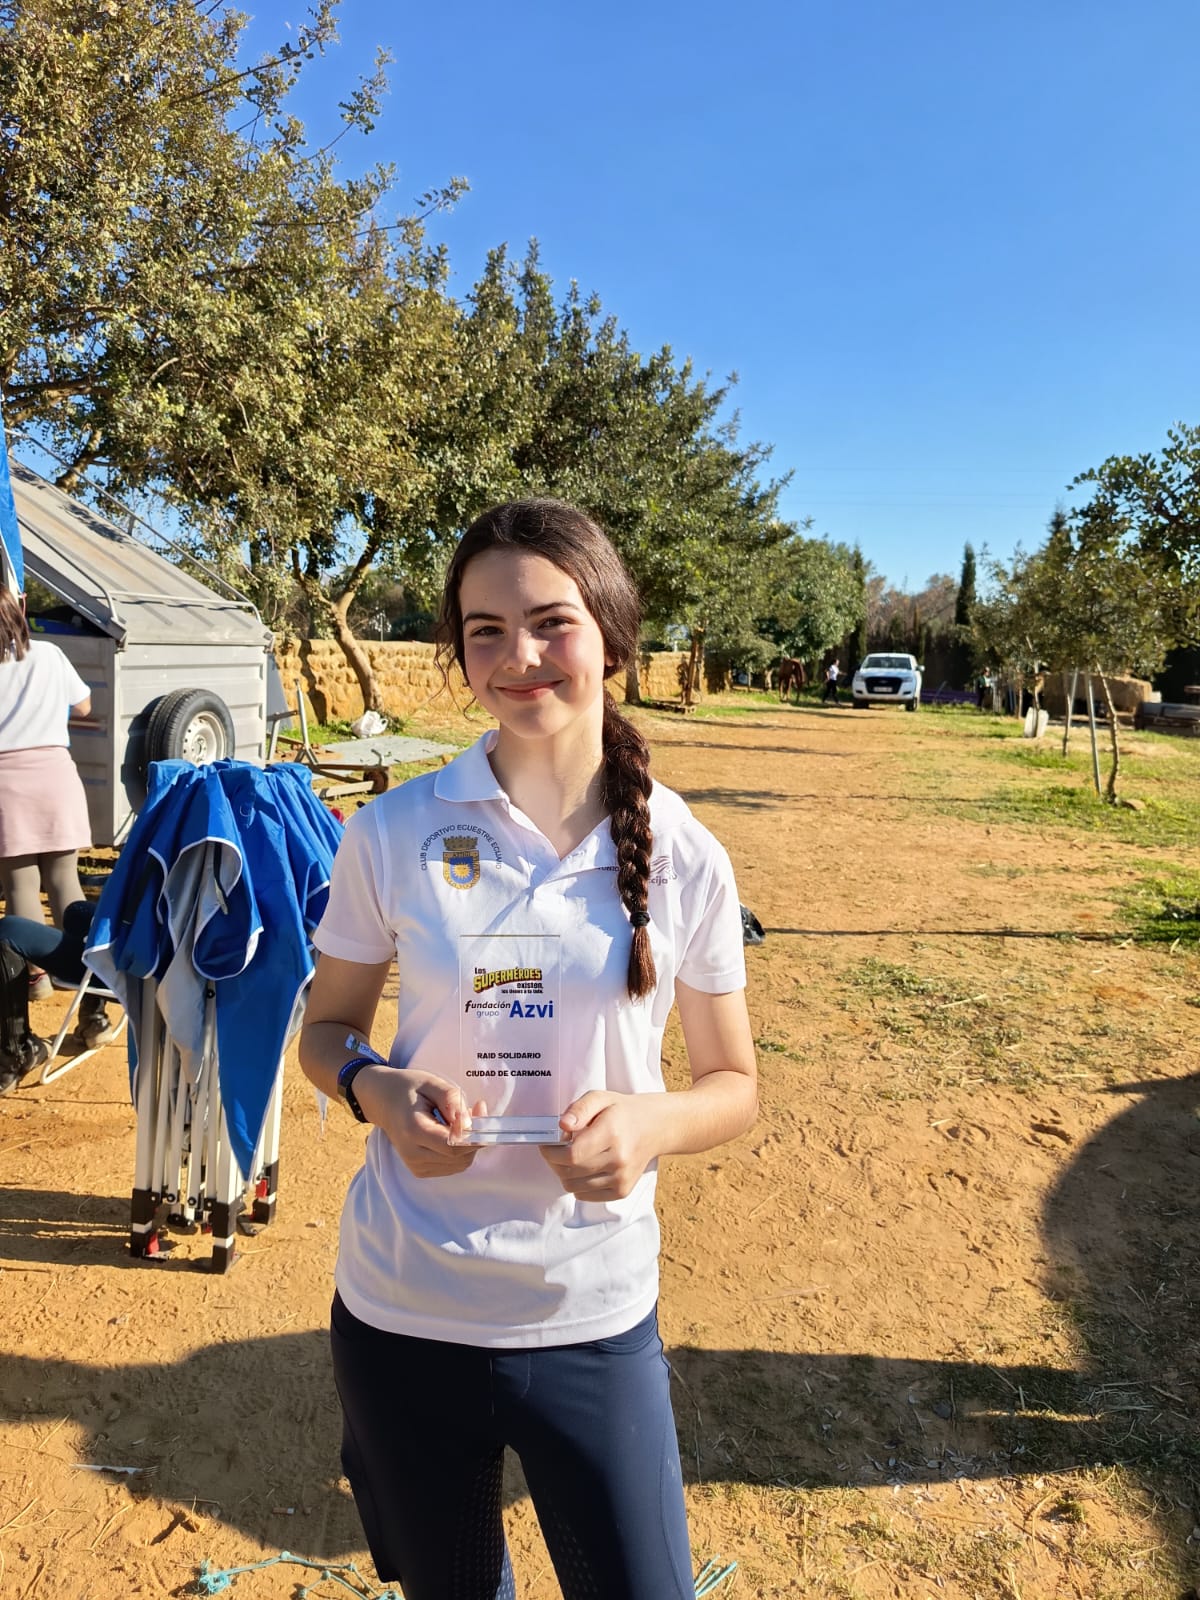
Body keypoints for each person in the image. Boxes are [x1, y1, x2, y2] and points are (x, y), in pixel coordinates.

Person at [299, 499, 758, 1600]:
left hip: (590, 1311)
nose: (520, 657)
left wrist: (651, 1123)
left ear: (610, 631)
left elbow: (735, 1085)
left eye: (551, 621)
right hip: (403, 1311)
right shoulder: (392, 833)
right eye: (485, 630)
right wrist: (372, 1086)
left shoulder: (686, 853)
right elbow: (323, 1031)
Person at [0, 588, 92, 999]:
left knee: (19, 886)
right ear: (18, 612)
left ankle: (33, 981)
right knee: (63, 881)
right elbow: (84, 706)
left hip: (7, 784)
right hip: (57, 777)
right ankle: (90, 994)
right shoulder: (50, 654)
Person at [0, 900, 119, 1094]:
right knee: (76, 912)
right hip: (171, 981)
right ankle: (93, 1019)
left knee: (7, 932)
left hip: (129, 975)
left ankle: (15, 1056)